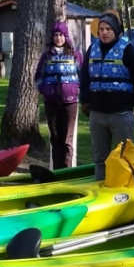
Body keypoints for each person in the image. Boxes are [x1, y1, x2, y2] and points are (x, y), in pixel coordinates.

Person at [80, 12, 134, 179]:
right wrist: (86, 101)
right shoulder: (92, 49)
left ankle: (122, 190)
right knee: (100, 157)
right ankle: (100, 187)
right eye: (101, 29)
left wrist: (127, 103)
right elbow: (85, 77)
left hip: (121, 114)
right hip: (97, 114)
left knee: (122, 156)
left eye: (108, 29)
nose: (104, 32)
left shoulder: (129, 50)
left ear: (116, 30)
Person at [35, 22, 84, 168]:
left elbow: (83, 76)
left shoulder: (75, 55)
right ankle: (57, 172)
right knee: (55, 139)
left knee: (67, 140)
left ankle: (67, 171)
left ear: (66, 37)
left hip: (70, 102)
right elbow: (38, 76)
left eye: (61, 35)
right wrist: (45, 90)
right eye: (56, 35)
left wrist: (76, 89)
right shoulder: (46, 56)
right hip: (51, 102)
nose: (58, 38)